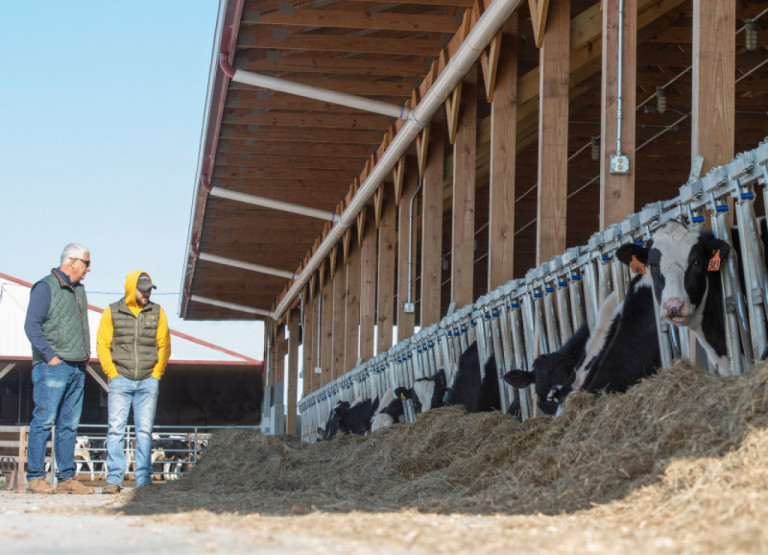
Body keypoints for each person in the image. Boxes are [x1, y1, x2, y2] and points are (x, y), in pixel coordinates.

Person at [24, 243, 95, 494]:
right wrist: (50, 357)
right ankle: (35, 477)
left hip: (77, 366)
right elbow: (32, 325)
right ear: (73, 262)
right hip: (53, 365)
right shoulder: (45, 287)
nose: (89, 269)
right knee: (44, 421)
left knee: (69, 425)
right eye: (87, 263)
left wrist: (84, 357)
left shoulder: (80, 291)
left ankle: (67, 479)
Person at [97, 271, 171, 493]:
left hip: (148, 380)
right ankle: (114, 479)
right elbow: (102, 344)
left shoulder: (158, 312)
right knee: (116, 430)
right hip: (120, 379)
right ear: (131, 289)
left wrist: (156, 374)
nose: (147, 292)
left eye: (150, 289)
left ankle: (144, 480)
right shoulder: (111, 312)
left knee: (145, 432)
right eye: (143, 289)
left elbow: (164, 345)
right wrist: (112, 372)